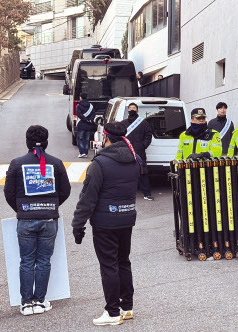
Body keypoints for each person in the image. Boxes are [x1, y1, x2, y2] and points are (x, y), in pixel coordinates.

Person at [71, 122, 141, 326]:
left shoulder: (99, 164)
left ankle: (112, 313)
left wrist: (78, 224)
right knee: (123, 262)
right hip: (126, 219)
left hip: (105, 223)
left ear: (106, 138)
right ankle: (127, 307)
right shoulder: (135, 159)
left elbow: (87, 198)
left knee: (109, 265)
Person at [4, 125, 71, 316]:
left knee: (26, 261)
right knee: (43, 261)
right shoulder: (56, 163)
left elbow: (9, 193)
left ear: (27, 142)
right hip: (49, 218)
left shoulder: (17, 163)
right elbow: (65, 191)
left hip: (26, 218)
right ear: (47, 142)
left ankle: (26, 303)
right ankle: (40, 301)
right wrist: (52, 205)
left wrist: (21, 209)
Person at [120, 103, 153, 200]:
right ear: (128, 111)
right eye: (130, 108)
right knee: (125, 172)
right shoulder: (123, 123)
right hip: (126, 150)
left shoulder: (143, 123)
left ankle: (147, 194)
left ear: (137, 110)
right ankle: (124, 194)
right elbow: (119, 136)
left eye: (134, 108)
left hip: (139, 151)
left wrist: (143, 146)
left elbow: (148, 135)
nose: (132, 109)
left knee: (143, 172)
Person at [76, 92, 96, 158]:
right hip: (89, 125)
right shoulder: (91, 106)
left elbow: (79, 115)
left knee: (80, 138)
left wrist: (84, 119)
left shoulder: (78, 106)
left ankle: (82, 152)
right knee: (87, 139)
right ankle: (86, 152)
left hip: (81, 124)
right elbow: (93, 114)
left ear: (80, 97)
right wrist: (90, 120)